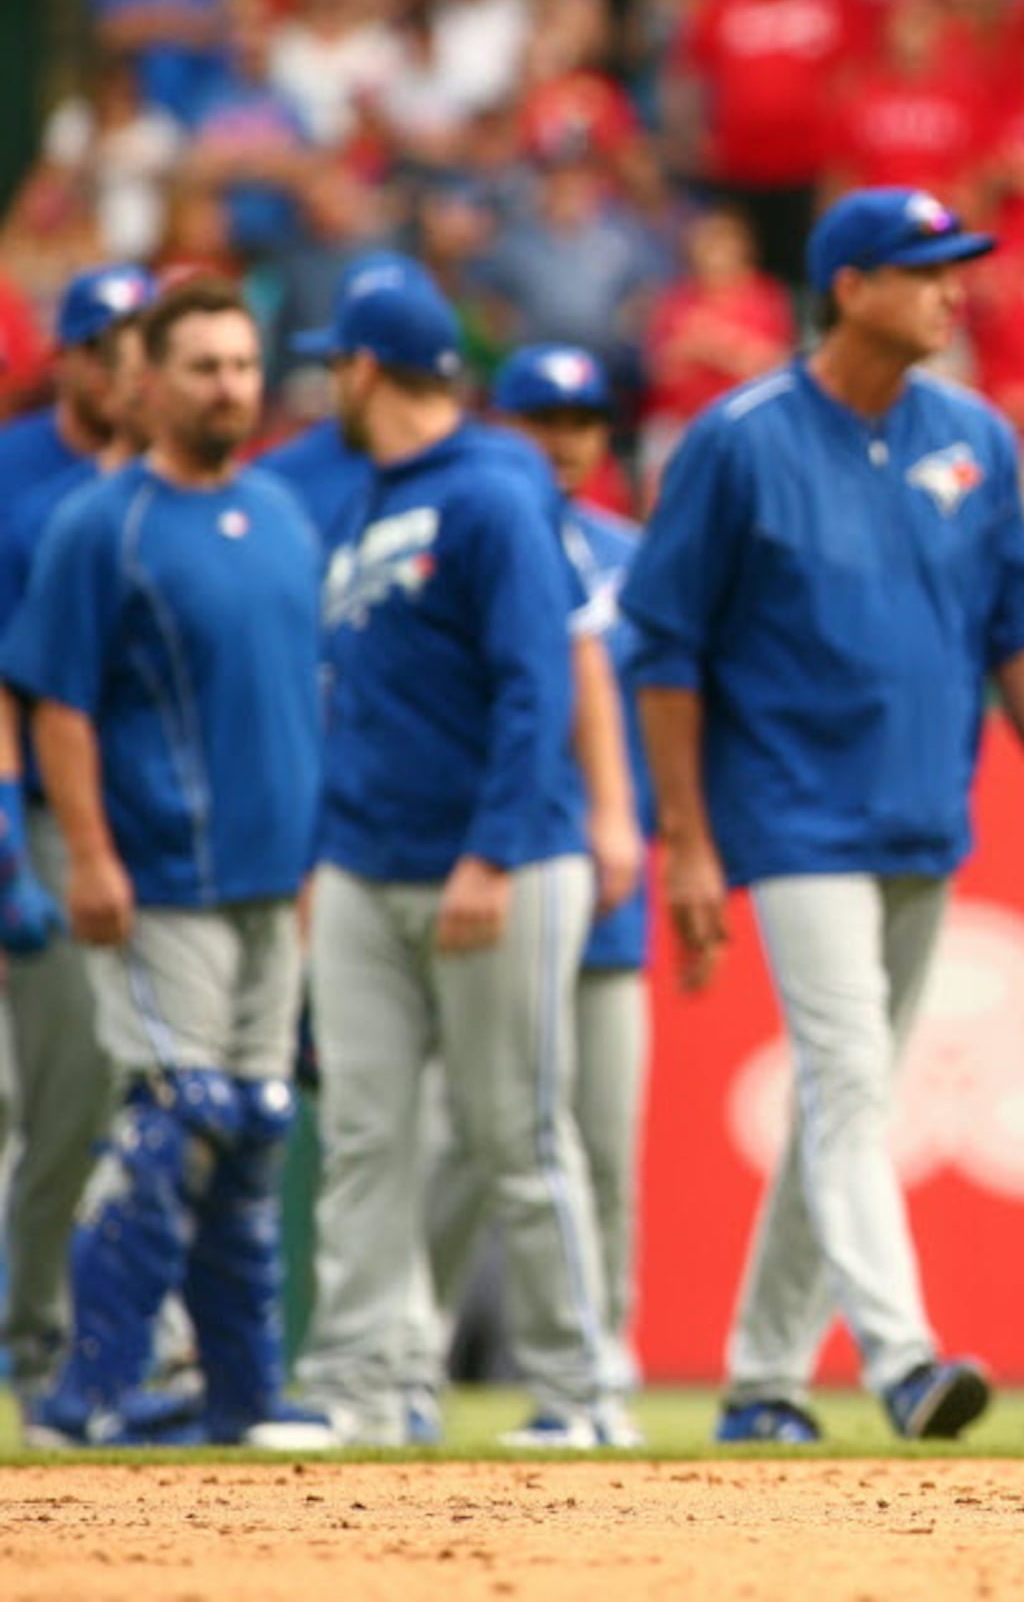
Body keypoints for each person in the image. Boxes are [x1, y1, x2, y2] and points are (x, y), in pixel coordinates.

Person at [622, 185, 1024, 1446]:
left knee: (840, 1104)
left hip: (919, 812)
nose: (955, 289)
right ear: (849, 286)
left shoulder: (976, 436)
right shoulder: (735, 440)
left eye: (958, 267)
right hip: (789, 815)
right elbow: (664, 651)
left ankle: (759, 1385)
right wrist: (684, 838)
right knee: (849, 1082)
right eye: (928, 268)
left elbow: (1022, 625)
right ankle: (903, 1361)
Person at [291, 259, 629, 1448]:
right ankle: (363, 1386)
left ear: (365, 367)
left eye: (335, 361)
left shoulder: (492, 488)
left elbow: (541, 682)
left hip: (498, 865)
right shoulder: (373, 495)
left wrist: (491, 853)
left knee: (519, 1137)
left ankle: (584, 1396)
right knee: (366, 1137)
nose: (329, 381)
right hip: (364, 861)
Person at [1, 278, 334, 1449]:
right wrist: (86, 857)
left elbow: (301, 700)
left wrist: (307, 867)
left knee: (255, 1124)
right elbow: (60, 707)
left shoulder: (285, 515)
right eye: (202, 367)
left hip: (268, 886)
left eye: (243, 364)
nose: (229, 387)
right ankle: (84, 1394)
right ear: (148, 385)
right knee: (168, 1121)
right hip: (159, 881)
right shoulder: (105, 524)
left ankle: (245, 1397)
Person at [408, 343, 658, 1446]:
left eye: (583, 419)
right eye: (538, 416)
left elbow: (667, 715)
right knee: (463, 1138)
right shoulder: (452, 538)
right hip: (494, 874)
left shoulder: (635, 559)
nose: (563, 441)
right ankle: (402, 1356)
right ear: (493, 422)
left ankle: (596, 1361)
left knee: (599, 1141)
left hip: (600, 892)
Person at [0, 264, 155, 1438]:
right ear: (72, 357)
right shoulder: (17, 474)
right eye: (114, 345)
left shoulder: (181, 483)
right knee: (60, 1092)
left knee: (146, 1088)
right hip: (43, 815)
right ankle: (39, 1337)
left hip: (156, 823)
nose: (132, 366)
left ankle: (131, 1348)